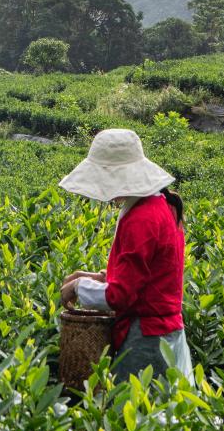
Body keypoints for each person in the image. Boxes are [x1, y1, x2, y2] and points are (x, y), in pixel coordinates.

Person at [58, 128, 193, 382]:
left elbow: (120, 295)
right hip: (165, 334)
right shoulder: (160, 205)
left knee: (136, 404)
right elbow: (146, 277)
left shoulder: (142, 219)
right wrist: (99, 278)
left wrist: (78, 287)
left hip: (148, 341)